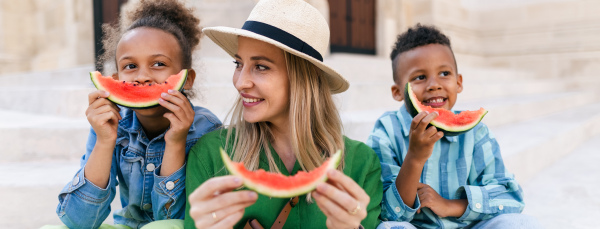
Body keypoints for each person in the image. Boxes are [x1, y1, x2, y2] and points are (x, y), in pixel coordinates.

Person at [183, 0, 383, 228]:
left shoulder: (362, 164)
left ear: (303, 79)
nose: (240, 82)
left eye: (261, 66)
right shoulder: (211, 155)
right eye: (238, 63)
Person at [51, 0, 221, 228]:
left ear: (187, 79)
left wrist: (176, 142)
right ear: (115, 80)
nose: (142, 77)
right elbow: (78, 221)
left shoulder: (207, 130)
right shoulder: (112, 125)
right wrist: (104, 141)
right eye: (130, 66)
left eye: (158, 63)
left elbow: (172, 219)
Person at [367, 24, 542, 228]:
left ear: (459, 82)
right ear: (398, 92)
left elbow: (510, 197)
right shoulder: (387, 131)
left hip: (467, 225)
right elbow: (387, 212)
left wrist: (450, 205)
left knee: (522, 223)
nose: (434, 84)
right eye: (420, 77)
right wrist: (414, 158)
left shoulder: (476, 132)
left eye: (444, 73)